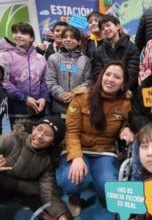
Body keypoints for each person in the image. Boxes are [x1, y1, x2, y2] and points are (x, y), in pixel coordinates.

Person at [56, 61, 134, 217]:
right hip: (78, 148)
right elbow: (71, 131)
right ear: (101, 76)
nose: (111, 79)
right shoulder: (81, 97)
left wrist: (125, 129)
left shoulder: (125, 103)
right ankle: (74, 196)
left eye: (117, 77)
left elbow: (124, 123)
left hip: (104, 151)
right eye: (108, 74)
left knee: (108, 188)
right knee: (71, 181)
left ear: (123, 83)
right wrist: (76, 157)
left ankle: (100, 188)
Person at [0, 115, 71, 220]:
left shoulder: (48, 159)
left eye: (47, 134)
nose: (39, 136)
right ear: (33, 128)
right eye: (39, 129)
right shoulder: (9, 139)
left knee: (55, 213)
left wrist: (61, 215)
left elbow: (48, 192)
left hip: (25, 192)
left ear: (53, 142)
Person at [0, 22, 50, 129]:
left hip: (37, 109)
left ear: (32, 38)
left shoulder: (40, 58)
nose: (18, 35)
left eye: (23, 33)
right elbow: (3, 81)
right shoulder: (5, 56)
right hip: (16, 110)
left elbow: (44, 81)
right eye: (15, 32)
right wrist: (24, 98)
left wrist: (43, 98)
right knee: (19, 141)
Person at [47, 26, 91, 119]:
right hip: (58, 109)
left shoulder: (85, 60)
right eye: (65, 37)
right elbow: (50, 81)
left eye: (72, 37)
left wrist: (74, 93)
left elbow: (88, 82)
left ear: (79, 41)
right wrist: (61, 94)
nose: (68, 39)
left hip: (79, 106)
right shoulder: (53, 58)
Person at [91, 15, 140, 92]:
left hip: (126, 92)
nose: (106, 29)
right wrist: (107, 88)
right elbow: (97, 73)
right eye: (103, 28)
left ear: (117, 26)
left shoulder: (132, 48)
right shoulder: (99, 51)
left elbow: (133, 73)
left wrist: (121, 88)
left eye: (108, 25)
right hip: (105, 92)